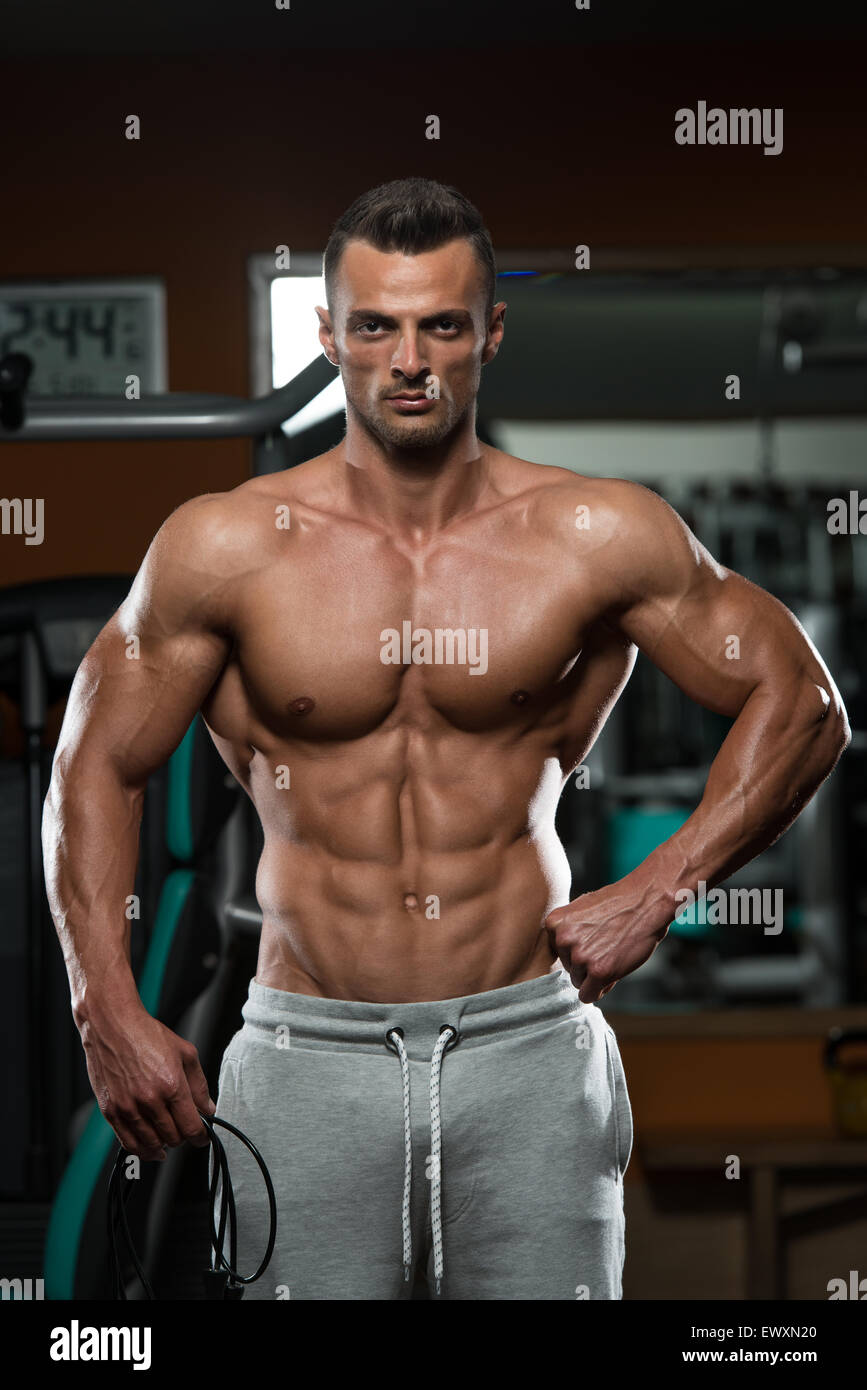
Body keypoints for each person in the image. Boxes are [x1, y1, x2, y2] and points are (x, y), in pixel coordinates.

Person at [43, 177, 850, 1300]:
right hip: (306, 1056)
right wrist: (106, 1008)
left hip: (527, 1050)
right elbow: (94, 758)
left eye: (441, 325)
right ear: (329, 333)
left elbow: (804, 701)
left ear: (491, 332)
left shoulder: (593, 534)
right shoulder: (223, 547)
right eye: (374, 325)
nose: (407, 359)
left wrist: (662, 885)